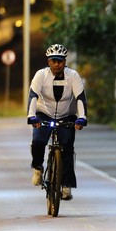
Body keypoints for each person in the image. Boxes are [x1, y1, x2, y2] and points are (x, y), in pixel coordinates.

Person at [27, 44, 88, 201]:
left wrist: (82, 117)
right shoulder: (41, 75)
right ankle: (38, 168)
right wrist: (31, 116)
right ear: (48, 62)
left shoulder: (73, 76)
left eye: (60, 61)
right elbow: (33, 96)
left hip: (66, 115)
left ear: (64, 61)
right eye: (53, 61)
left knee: (67, 147)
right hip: (44, 114)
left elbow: (80, 98)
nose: (57, 64)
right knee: (39, 141)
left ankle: (66, 186)